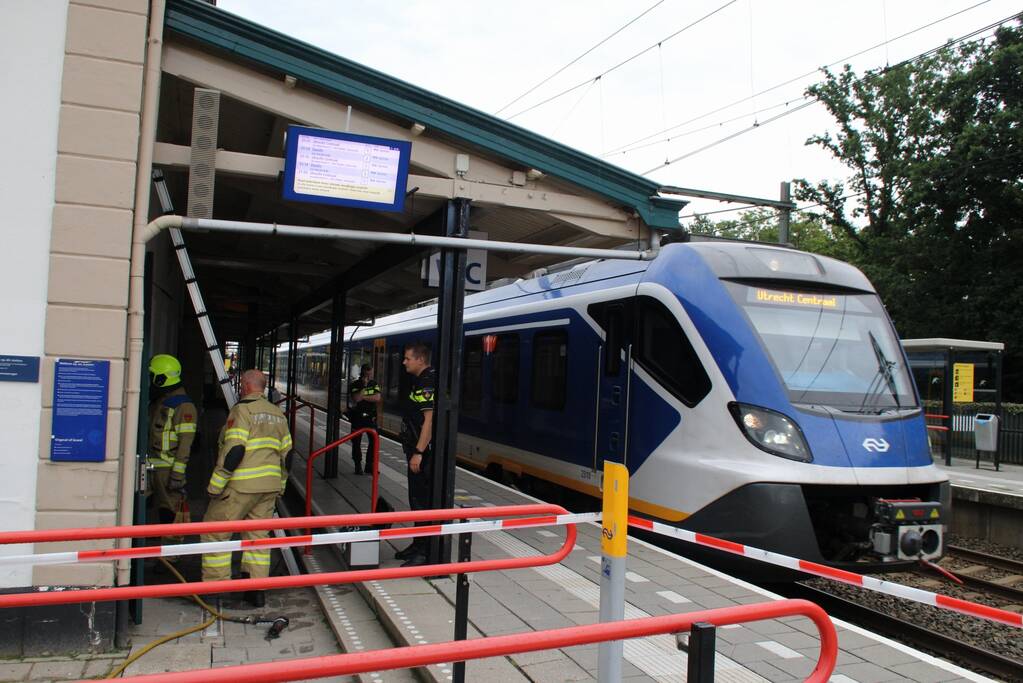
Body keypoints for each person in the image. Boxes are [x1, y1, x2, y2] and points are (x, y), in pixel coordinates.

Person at [200, 369, 292, 607]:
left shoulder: (242, 411)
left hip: (241, 486)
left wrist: (215, 485)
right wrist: (280, 485)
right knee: (258, 538)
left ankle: (215, 589)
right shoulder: (278, 414)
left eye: (242, 384)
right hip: (268, 487)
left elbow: (234, 450)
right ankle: (256, 591)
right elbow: (287, 456)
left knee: (216, 533)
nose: (240, 388)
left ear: (247, 386)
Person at [147, 354, 197, 545]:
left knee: (170, 511)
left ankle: (170, 555)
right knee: (154, 511)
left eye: (153, 376)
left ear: (161, 379)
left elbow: (185, 444)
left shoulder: (183, 406)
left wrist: (177, 475)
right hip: (151, 467)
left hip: (167, 470)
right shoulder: (160, 401)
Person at [394, 343, 436, 567]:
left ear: (420, 359)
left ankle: (425, 550)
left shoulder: (427, 382)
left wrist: (419, 452)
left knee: (422, 500)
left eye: (407, 358)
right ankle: (418, 543)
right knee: (416, 499)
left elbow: (429, 421)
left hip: (423, 453)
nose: (404, 362)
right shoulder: (420, 381)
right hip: (415, 448)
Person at [347, 364, 381, 475]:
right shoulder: (355, 384)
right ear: (363, 373)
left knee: (374, 441)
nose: (371, 375)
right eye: (369, 373)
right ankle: (358, 465)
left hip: (371, 417)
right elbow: (356, 399)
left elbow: (377, 398)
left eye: (371, 373)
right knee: (356, 442)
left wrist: (364, 397)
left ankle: (369, 465)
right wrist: (365, 386)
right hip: (357, 417)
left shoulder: (374, 384)